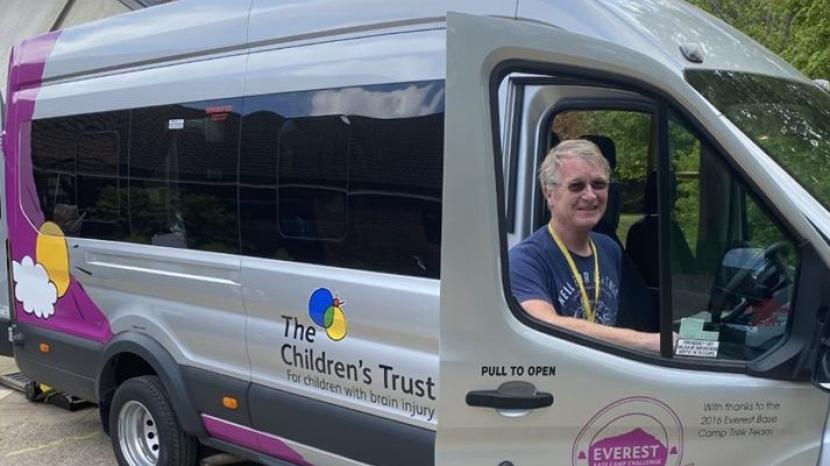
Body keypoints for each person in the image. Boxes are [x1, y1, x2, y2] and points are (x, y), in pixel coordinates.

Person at [509, 139, 662, 352]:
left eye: (599, 184)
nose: (590, 195)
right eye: (576, 186)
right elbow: (545, 324)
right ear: (549, 194)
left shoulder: (609, 249)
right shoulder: (524, 260)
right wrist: (647, 342)